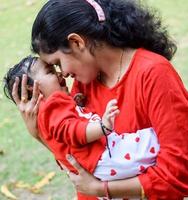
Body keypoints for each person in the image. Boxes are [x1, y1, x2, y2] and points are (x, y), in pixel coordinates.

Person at [11, 0, 188, 199]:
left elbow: (182, 173)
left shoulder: (153, 73)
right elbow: (83, 163)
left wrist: (102, 190)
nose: (63, 74)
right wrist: (38, 134)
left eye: (58, 63)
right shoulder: (84, 82)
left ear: (76, 42)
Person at [3, 55, 160, 189]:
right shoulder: (52, 105)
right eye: (50, 72)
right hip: (103, 158)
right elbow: (71, 131)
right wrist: (102, 127)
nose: (60, 74)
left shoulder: (50, 111)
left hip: (98, 167)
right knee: (153, 141)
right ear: (32, 88)